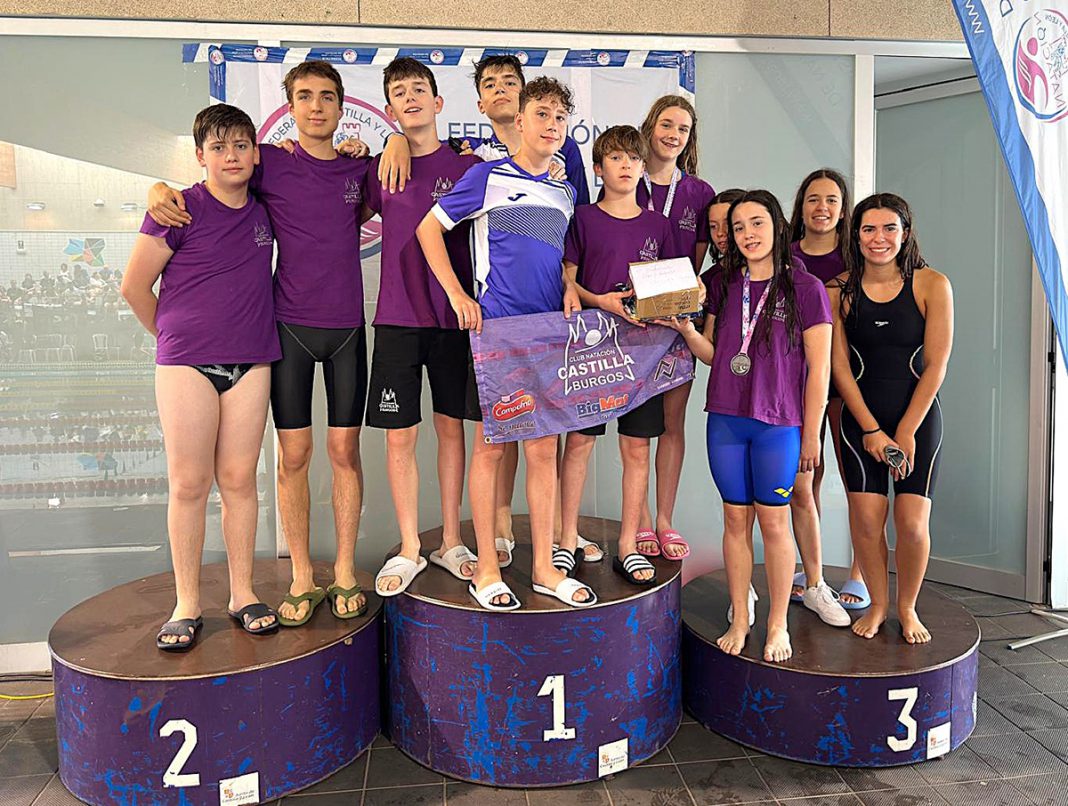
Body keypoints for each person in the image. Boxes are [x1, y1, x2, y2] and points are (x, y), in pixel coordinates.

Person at [147, 61, 374, 627]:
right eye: (305, 97)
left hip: (347, 327)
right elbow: (210, 174)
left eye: (327, 96)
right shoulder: (267, 161)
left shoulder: (361, 168)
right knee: (293, 456)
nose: (317, 106)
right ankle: (301, 575)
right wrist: (156, 188)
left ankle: (345, 569)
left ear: (342, 106)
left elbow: (387, 194)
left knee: (344, 451)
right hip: (287, 328)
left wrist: (386, 144)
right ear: (289, 107)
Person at [380, 53, 590, 562]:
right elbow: (428, 229)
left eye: (560, 118)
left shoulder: (564, 191)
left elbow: (562, 253)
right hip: (495, 331)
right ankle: (486, 568)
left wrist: (569, 284)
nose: (551, 124)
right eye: (542, 114)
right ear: (521, 118)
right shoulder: (485, 174)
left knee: (543, 449)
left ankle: (544, 565)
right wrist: (458, 294)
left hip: (546, 334)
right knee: (490, 447)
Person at [121, 104, 281, 652]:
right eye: (218, 147)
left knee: (239, 481)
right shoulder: (178, 210)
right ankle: (186, 603)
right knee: (190, 484)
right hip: (187, 364)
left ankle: (242, 593)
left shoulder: (264, 210)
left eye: (240, 145)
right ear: (200, 156)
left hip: (251, 362)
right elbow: (134, 287)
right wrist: (174, 338)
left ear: (255, 153)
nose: (231, 156)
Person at [661, 190, 832, 663]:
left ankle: (777, 623)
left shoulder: (806, 288)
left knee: (774, 522)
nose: (747, 234)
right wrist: (687, 331)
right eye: (738, 227)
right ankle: (740, 616)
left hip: (779, 425)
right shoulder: (726, 285)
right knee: (735, 520)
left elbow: (820, 369)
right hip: (727, 420)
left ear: (777, 225)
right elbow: (715, 355)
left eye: (757, 223)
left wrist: (812, 434)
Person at [365, 58, 482, 596]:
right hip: (396, 319)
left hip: (455, 318)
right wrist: (387, 143)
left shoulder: (468, 166)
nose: (410, 97)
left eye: (419, 89)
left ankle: (451, 541)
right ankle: (410, 545)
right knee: (401, 436)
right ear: (389, 109)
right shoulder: (377, 168)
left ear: (437, 103)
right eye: (399, 92)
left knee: (452, 430)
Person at [829, 193, 953, 644]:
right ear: (856, 234)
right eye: (868, 229)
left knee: (913, 524)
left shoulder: (932, 284)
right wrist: (871, 430)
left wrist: (904, 431)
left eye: (888, 229)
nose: (878, 238)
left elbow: (936, 365)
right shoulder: (839, 290)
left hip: (917, 420)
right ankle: (879, 604)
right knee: (866, 521)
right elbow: (839, 369)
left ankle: (907, 607)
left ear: (905, 233)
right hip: (860, 420)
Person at [558, 125, 673, 586]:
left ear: (644, 168)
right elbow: (568, 280)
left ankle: (628, 544)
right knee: (579, 443)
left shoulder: (659, 226)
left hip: (643, 352)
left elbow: (671, 286)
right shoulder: (583, 218)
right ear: (598, 168)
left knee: (637, 447)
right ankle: (565, 538)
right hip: (591, 347)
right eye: (616, 158)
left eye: (633, 159)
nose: (626, 166)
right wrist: (600, 300)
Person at [634, 95, 715, 561]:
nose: (673, 135)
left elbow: (697, 259)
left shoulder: (699, 193)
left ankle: (664, 518)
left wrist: (686, 295)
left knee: (671, 423)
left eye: (683, 129)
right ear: (650, 126)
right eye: (667, 124)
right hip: (629, 320)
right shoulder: (626, 175)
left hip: (678, 323)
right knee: (636, 426)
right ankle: (641, 518)